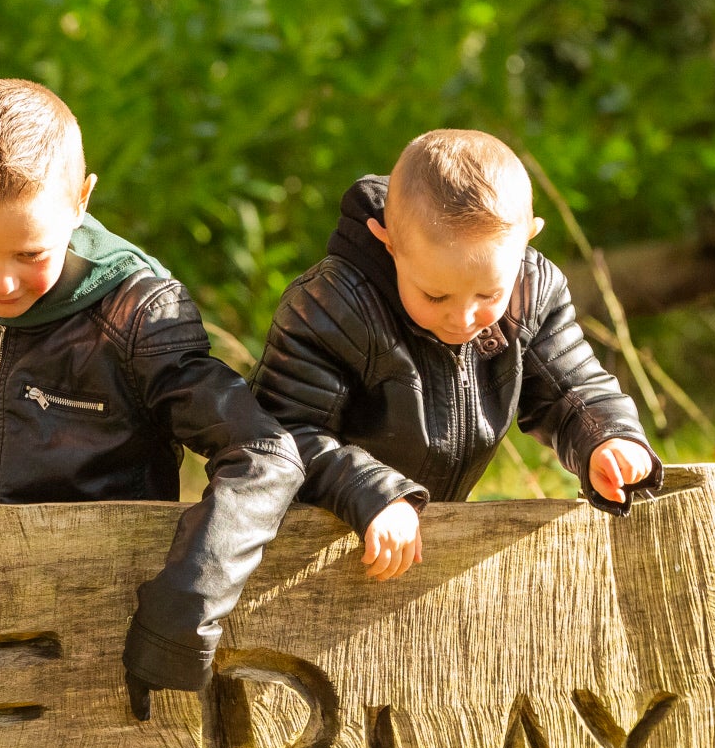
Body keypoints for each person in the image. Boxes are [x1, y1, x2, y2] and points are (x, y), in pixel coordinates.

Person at [0, 79, 304, 711]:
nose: (3, 281)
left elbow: (263, 453)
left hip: (120, 634)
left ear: (81, 199)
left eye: (31, 252)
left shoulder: (138, 318)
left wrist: (184, 604)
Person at [252, 129, 661, 582]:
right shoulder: (333, 309)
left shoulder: (532, 293)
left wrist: (605, 437)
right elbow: (281, 434)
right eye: (435, 295)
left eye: (488, 293)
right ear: (389, 243)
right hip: (313, 543)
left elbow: (571, 389)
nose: (464, 318)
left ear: (527, 240)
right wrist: (370, 492)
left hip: (426, 539)